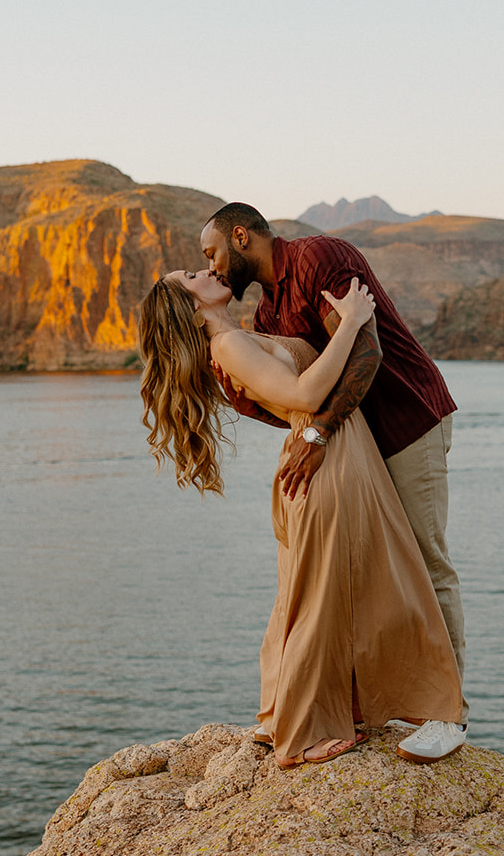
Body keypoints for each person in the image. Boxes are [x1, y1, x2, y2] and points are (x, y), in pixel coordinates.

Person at [137, 268, 465, 768]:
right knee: (329, 597)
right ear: (189, 305)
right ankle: (304, 737)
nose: (206, 269)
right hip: (326, 462)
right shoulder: (226, 345)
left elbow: (285, 395)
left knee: (316, 593)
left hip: (333, 455)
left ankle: (288, 716)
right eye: (193, 274)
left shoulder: (238, 336)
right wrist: (353, 322)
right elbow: (307, 397)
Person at [199, 203, 470, 736]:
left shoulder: (317, 259)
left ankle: (449, 717)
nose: (210, 266)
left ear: (240, 236)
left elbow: (365, 350)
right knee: (363, 569)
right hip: (357, 445)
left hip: (408, 421)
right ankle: (371, 703)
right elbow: (303, 398)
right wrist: (242, 394)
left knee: (426, 561)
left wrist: (320, 433)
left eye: (211, 253)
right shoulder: (268, 315)